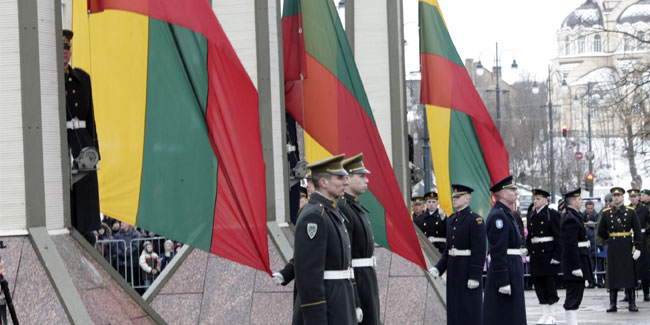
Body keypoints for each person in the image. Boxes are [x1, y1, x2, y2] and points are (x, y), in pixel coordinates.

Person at [292, 154, 357, 324]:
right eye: (339, 178)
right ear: (323, 182)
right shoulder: (314, 216)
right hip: (328, 306)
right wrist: (316, 319)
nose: (346, 182)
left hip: (340, 300)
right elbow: (309, 276)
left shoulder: (331, 212)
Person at [63, 29, 101, 245]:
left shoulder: (82, 78)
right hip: (64, 142)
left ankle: (88, 233)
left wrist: (96, 149)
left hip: (84, 141)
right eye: (60, 48)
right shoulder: (53, 79)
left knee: (86, 192)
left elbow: (91, 116)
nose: (64, 52)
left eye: (67, 48)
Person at [428, 184, 486, 325]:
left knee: (469, 310)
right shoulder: (452, 219)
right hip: (454, 270)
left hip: (467, 270)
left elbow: (479, 250)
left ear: (467, 199)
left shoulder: (475, 220)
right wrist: (438, 268)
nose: (454, 199)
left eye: (458, 197)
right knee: (454, 309)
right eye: (453, 196)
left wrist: (475, 276)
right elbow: (449, 249)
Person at [337, 153, 379, 325]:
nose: (366, 180)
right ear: (347, 179)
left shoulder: (354, 205)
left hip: (366, 275)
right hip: (357, 278)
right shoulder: (343, 207)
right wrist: (355, 299)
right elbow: (346, 255)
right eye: (361, 176)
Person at [483, 176, 526, 325]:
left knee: (513, 313)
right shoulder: (498, 216)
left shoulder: (507, 214)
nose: (516, 192)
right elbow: (498, 250)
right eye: (512, 189)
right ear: (502, 193)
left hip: (513, 265)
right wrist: (502, 281)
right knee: (503, 314)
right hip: (506, 268)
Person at [597, 187, 642, 312]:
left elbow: (637, 232)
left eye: (618, 195)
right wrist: (610, 238)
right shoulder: (606, 213)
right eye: (614, 196)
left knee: (629, 275)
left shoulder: (630, 212)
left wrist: (637, 247)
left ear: (622, 197)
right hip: (613, 247)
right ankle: (613, 304)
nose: (616, 198)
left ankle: (632, 303)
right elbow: (600, 231)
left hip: (627, 245)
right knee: (613, 275)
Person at [526, 189, 562, 324]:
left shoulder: (552, 215)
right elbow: (530, 236)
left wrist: (557, 256)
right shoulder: (531, 215)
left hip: (548, 254)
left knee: (550, 285)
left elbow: (559, 237)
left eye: (539, 199)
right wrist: (527, 250)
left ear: (546, 200)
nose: (536, 201)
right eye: (534, 199)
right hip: (536, 255)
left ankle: (552, 315)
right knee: (539, 286)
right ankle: (544, 314)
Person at [560, 188, 592, 325]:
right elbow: (570, 245)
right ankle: (571, 322)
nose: (581, 201)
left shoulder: (575, 215)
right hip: (575, 261)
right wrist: (575, 266)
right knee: (573, 294)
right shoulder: (570, 218)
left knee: (577, 293)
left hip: (580, 258)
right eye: (579, 199)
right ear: (572, 201)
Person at [628, 189, 650, 301]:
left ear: (639, 198)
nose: (633, 198)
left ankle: (646, 293)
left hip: (641, 239)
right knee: (629, 267)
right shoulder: (626, 209)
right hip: (629, 239)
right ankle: (629, 294)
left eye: (635, 196)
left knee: (644, 267)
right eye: (631, 197)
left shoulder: (645, 210)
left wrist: (646, 232)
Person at [583, 200, 598, 288]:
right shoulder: (583, 215)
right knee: (589, 263)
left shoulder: (596, 215)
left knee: (598, 263)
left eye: (591, 208)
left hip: (595, 241)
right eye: (588, 208)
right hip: (587, 242)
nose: (590, 210)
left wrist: (594, 225)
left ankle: (598, 280)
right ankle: (590, 281)